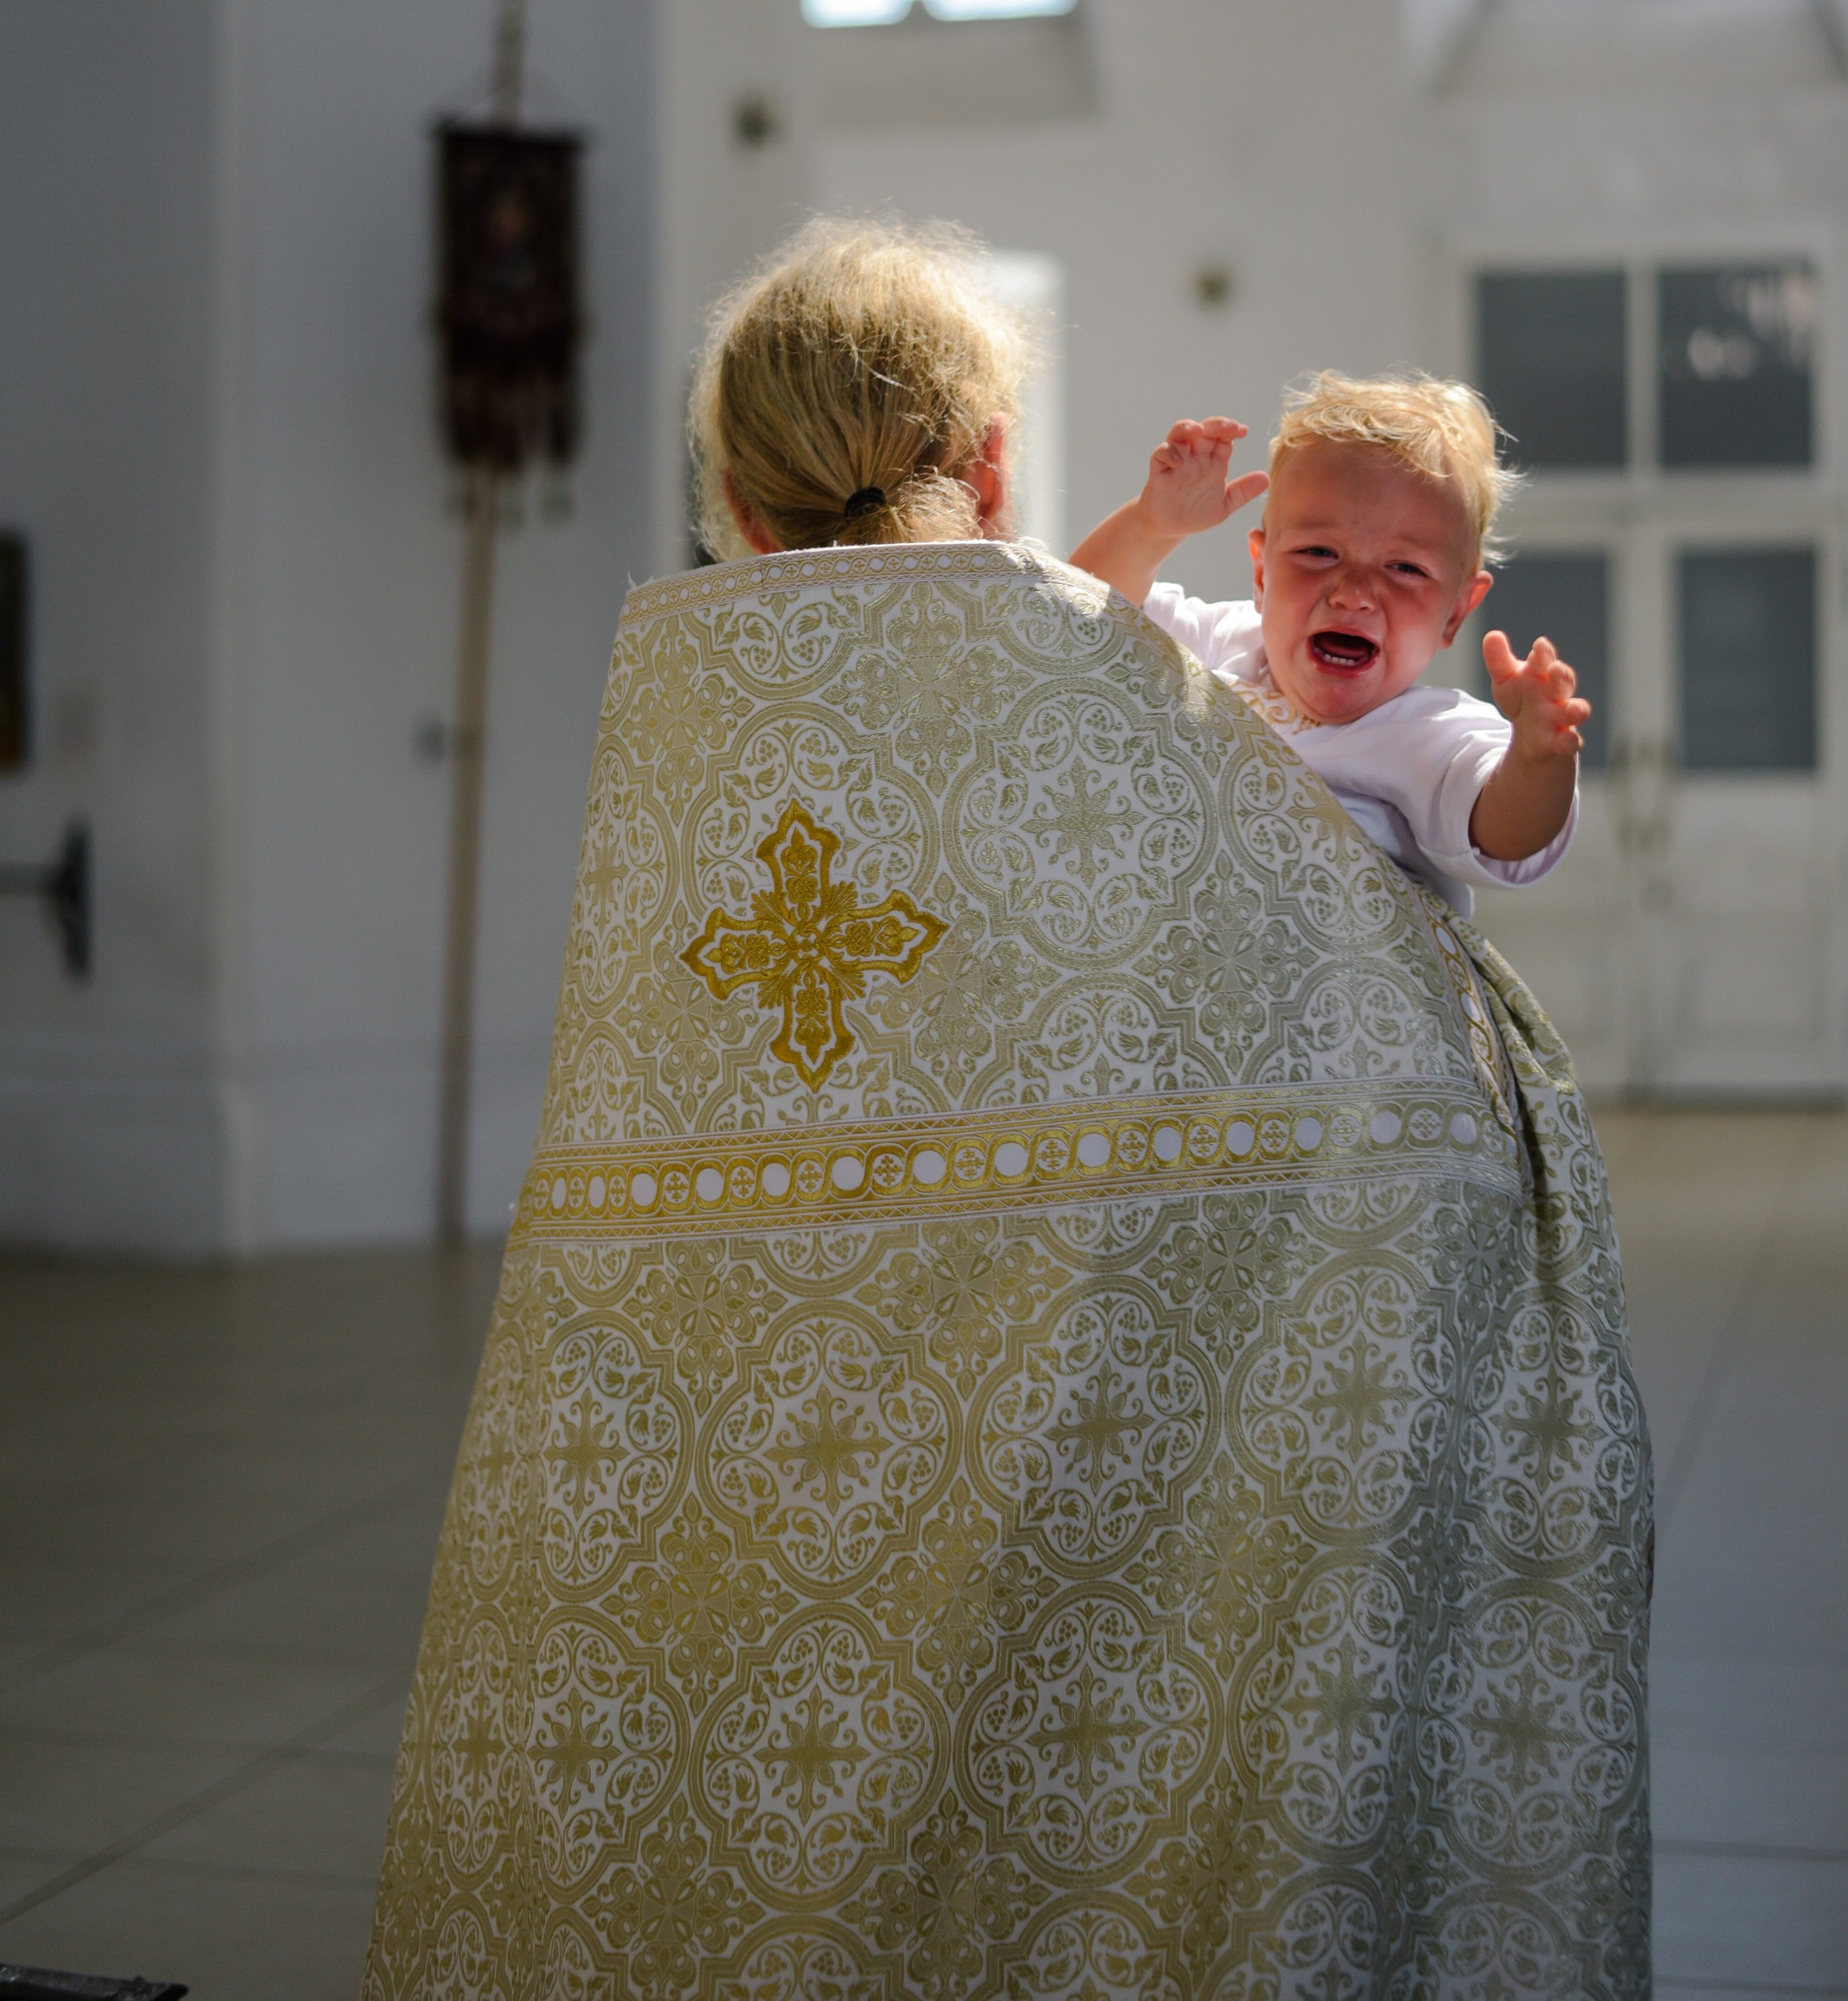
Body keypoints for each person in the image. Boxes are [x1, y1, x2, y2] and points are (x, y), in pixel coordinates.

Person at [365, 222, 1650, 2001]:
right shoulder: (1125, 686)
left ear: (733, 496)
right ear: (986, 467)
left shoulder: (684, 715)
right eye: (1313, 551)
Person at [1072, 375, 1588, 916]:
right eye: (1318, 552)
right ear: (1262, 573)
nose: (1354, 593)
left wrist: (1536, 758)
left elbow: (1509, 832)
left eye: (1404, 568)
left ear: (1456, 611)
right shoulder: (1218, 642)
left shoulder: (1434, 735)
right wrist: (1150, 527)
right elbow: (1074, 622)